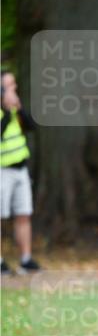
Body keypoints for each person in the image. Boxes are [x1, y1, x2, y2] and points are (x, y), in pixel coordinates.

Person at [1, 70, 41, 275]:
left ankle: (25, 259)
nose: (13, 89)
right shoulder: (4, 113)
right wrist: (7, 112)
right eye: (9, 86)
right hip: (2, 171)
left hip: (20, 169)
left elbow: (32, 126)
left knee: (23, 214)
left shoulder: (16, 110)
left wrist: (18, 109)